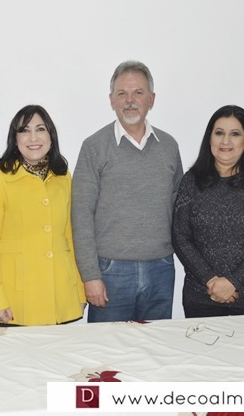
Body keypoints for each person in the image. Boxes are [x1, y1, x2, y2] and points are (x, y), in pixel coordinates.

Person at [72, 60, 183, 322]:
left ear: (151, 99)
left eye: (138, 93)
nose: (130, 101)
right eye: (122, 93)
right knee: (107, 345)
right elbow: (81, 215)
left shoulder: (168, 146)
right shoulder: (94, 147)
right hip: (110, 271)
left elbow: (180, 207)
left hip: (161, 268)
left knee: (155, 343)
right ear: (112, 100)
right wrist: (90, 276)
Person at [0, 105, 86, 326]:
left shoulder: (63, 178)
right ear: (15, 139)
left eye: (40, 129)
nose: (33, 137)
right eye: (24, 130)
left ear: (51, 136)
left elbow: (70, 239)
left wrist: (79, 291)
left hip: (60, 294)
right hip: (16, 301)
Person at [171, 105, 244, 318]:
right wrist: (210, 280)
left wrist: (233, 282)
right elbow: (180, 236)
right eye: (219, 133)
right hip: (201, 298)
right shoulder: (191, 181)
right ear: (210, 138)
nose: (226, 141)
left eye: (235, 134)